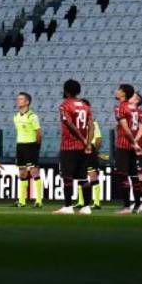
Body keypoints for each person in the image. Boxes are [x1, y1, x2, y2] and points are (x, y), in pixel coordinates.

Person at [55, 79, 94, 215]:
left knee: (68, 177)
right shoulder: (85, 105)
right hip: (83, 148)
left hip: (69, 146)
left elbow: (70, 124)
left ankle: (68, 206)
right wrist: (88, 143)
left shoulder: (64, 105)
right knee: (83, 177)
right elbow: (91, 125)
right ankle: (87, 207)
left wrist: (82, 139)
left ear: (66, 91)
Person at [113, 84, 142, 214]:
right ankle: (137, 205)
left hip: (124, 145)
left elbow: (125, 128)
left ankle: (126, 207)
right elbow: (140, 126)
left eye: (118, 90)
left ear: (123, 93)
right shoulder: (135, 108)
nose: (116, 91)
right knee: (134, 176)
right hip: (132, 146)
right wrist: (135, 142)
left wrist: (132, 142)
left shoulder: (120, 107)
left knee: (123, 175)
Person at [13, 92, 43, 208]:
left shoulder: (32, 116)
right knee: (22, 172)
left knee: (34, 171)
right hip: (20, 145)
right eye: (18, 99)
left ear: (27, 102)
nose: (18, 100)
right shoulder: (15, 116)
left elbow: (39, 133)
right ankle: (22, 200)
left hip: (31, 145)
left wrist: (36, 147)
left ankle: (39, 200)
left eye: (21, 99)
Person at [76, 99, 103, 210]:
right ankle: (81, 201)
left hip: (89, 149)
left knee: (92, 175)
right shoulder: (77, 123)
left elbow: (98, 139)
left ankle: (96, 202)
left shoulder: (93, 123)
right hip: (79, 149)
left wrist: (94, 151)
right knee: (80, 175)